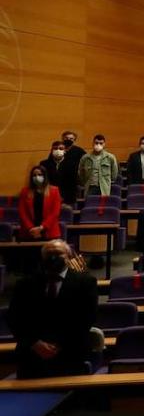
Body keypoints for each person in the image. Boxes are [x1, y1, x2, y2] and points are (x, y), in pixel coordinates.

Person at [6, 240, 97, 378]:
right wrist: (35, 343)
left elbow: (87, 318)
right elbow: (14, 318)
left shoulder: (86, 282)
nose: (53, 257)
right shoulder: (25, 284)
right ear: (42, 258)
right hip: (32, 355)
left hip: (71, 354)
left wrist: (59, 345)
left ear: (68, 256)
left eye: (58, 253)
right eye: (49, 254)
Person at [18, 165, 62, 241]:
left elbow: (55, 212)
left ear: (44, 176)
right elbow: (22, 212)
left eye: (39, 175)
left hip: (49, 232)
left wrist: (42, 227)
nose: (37, 177)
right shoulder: (25, 192)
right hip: (29, 232)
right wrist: (31, 228)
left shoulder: (54, 191)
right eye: (34, 175)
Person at [41, 140, 78, 206]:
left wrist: (65, 199)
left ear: (65, 151)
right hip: (49, 198)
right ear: (51, 150)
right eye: (55, 148)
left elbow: (73, 184)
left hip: (68, 199)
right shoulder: (44, 164)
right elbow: (44, 183)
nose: (58, 150)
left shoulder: (72, 164)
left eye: (61, 148)